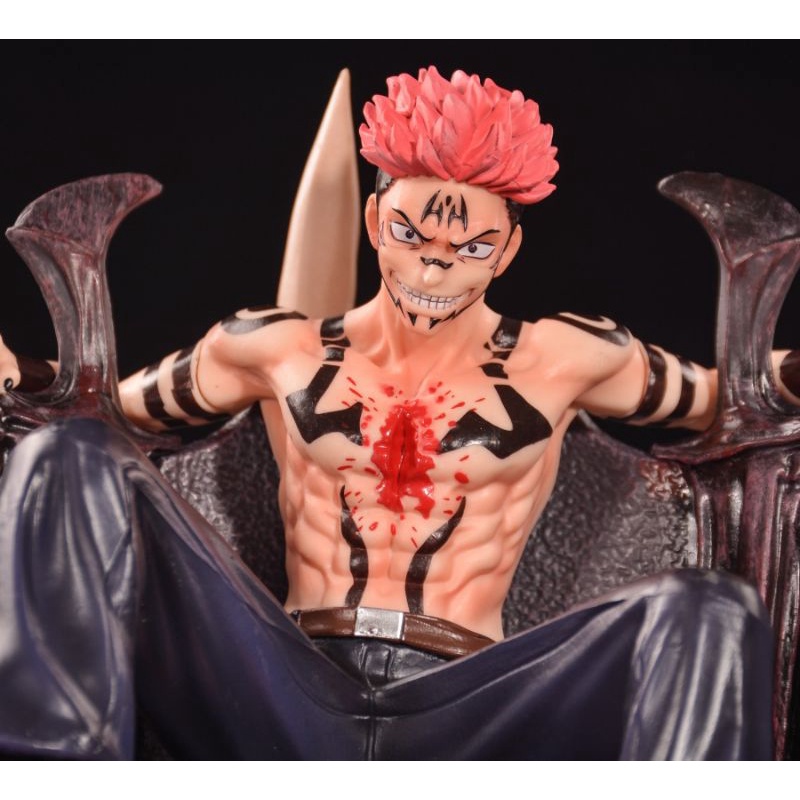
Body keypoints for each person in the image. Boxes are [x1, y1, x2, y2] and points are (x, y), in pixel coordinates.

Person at [0, 66, 783, 759]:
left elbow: (729, 395)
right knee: (66, 450)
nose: (435, 266)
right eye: (412, 235)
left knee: (708, 610)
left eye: (470, 248)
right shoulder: (274, 346)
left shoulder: (567, 356)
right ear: (376, 224)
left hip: (478, 705)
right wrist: (16, 374)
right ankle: (53, 765)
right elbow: (102, 408)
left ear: (507, 251)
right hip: (282, 685)